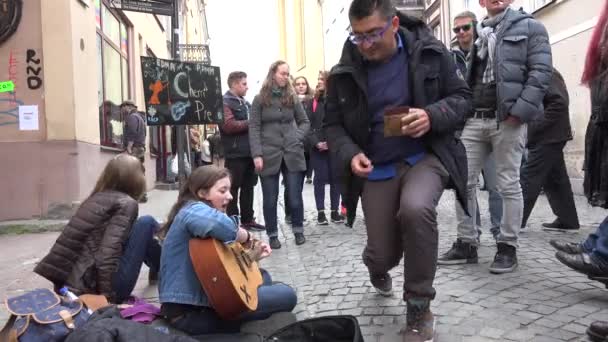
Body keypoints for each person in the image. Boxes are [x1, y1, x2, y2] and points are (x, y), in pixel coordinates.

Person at [324, 0, 471, 340]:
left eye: (374, 33)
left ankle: (419, 309)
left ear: (393, 24)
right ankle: (376, 263)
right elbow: (332, 126)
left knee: (416, 210)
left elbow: (463, 98)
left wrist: (431, 115)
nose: (366, 44)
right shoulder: (343, 73)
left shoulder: (430, 52)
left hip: (425, 157)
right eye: (358, 37)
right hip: (376, 167)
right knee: (382, 255)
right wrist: (351, 154)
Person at [439, 0, 552, 274]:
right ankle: (467, 242)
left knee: (507, 184)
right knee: (461, 181)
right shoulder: (478, 32)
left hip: (507, 119)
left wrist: (519, 112)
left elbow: (540, 73)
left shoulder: (531, 27)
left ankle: (507, 247)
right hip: (474, 119)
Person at [158, 165, 297, 335]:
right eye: (222, 191)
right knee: (287, 294)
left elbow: (219, 265)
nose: (230, 196)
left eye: (229, 190)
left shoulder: (194, 212)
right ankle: (248, 330)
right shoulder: (192, 210)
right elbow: (220, 225)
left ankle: (249, 323)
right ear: (202, 193)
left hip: (203, 300)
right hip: (192, 314)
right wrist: (246, 237)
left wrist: (252, 256)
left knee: (263, 276)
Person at [34, 154, 161, 303]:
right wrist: (107, 298)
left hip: (72, 286)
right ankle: (161, 268)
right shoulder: (126, 203)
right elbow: (107, 254)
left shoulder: (94, 198)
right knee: (147, 223)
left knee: (142, 228)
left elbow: (66, 249)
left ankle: (157, 268)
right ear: (134, 179)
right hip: (101, 289)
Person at [445, 10, 503, 252]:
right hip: (466, 125)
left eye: (465, 28)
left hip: (495, 120)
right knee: (464, 183)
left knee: (497, 184)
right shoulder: (449, 58)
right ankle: (470, 236)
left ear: (475, 26)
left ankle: (501, 234)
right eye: (456, 30)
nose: (460, 33)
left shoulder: (491, 45)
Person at [249, 61, 310, 249]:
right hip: (268, 154)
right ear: (273, 74)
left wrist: (296, 137)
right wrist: (257, 154)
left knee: (294, 196)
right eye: (283, 73)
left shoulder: (292, 98)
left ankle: (298, 230)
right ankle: (273, 234)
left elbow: (304, 122)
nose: (286, 76)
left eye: (287, 74)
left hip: (292, 152)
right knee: (270, 198)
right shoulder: (259, 99)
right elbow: (254, 128)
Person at [520, 68, 580, 231]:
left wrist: (534, 126)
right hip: (550, 135)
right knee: (555, 179)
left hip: (548, 135)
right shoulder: (538, 71)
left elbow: (559, 103)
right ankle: (568, 220)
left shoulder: (544, 71)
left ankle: (515, 220)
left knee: (529, 176)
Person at [221, 71, 265, 232]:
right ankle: (233, 221)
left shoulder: (246, 103)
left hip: (249, 152)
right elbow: (229, 125)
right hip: (235, 153)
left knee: (249, 186)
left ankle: (248, 220)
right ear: (234, 84)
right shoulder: (224, 102)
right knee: (233, 187)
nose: (247, 87)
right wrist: (252, 122)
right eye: (244, 84)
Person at [305, 71, 345, 225]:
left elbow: (342, 123)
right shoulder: (312, 102)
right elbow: (307, 125)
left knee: (336, 179)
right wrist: (316, 143)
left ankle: (335, 212)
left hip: (334, 147)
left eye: (322, 79)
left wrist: (333, 142)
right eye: (318, 79)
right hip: (318, 147)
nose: (319, 81)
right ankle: (321, 213)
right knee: (319, 180)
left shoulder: (339, 100)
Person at [122, 100, 148, 202]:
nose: (122, 110)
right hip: (140, 147)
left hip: (135, 148)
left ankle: (136, 195)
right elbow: (144, 133)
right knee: (140, 171)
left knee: (133, 171)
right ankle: (143, 194)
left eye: (122, 107)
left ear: (128, 107)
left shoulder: (132, 117)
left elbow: (132, 132)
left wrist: (129, 146)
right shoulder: (140, 118)